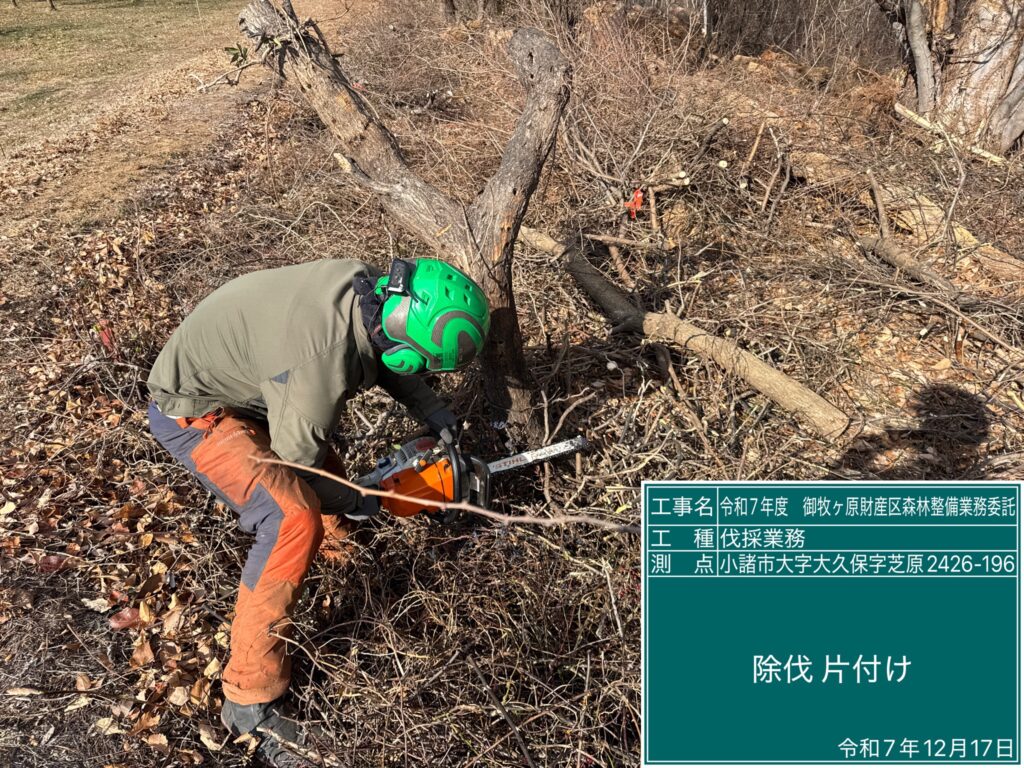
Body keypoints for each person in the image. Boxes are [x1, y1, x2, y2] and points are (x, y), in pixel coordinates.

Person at [146, 257, 490, 766]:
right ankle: (249, 702)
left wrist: (434, 412)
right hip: (194, 413)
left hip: (254, 385)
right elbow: (301, 467)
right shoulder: (317, 362)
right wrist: (367, 499)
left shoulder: (368, 293)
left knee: (321, 465)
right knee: (291, 516)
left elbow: (386, 354)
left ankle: (342, 565)